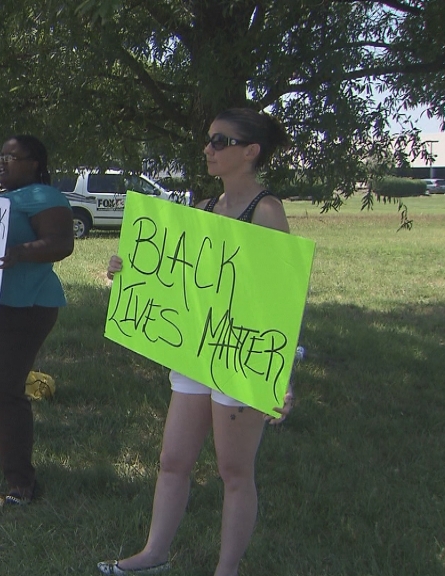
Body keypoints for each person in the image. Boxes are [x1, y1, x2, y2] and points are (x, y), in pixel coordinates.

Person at [98, 108, 293, 575]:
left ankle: (227, 571)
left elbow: (279, 301)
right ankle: (153, 555)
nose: (209, 149)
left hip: (240, 357)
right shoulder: (203, 210)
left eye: (221, 141)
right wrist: (127, 270)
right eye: (208, 140)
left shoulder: (266, 212)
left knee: (234, 471)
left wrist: (279, 377)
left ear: (250, 152)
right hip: (193, 352)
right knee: (173, 459)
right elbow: (177, 276)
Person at [0, 135, 74, 505]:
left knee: (5, 391)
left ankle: (21, 483)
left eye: (13, 156)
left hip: (24, 306)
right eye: (1, 154)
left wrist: (19, 252)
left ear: (35, 163)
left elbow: (61, 243)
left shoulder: (45, 197)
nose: (3, 162)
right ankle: (1, 458)